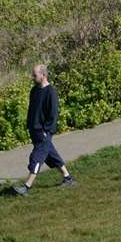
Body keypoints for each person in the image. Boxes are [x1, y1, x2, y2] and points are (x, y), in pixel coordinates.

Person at [15, 63, 74, 195]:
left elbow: (53, 114)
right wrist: (29, 125)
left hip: (43, 132)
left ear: (43, 75)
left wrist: (46, 131)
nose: (32, 77)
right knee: (50, 154)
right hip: (34, 130)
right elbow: (32, 110)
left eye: (35, 75)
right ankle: (67, 178)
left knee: (37, 157)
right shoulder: (34, 90)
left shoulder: (51, 92)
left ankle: (26, 186)